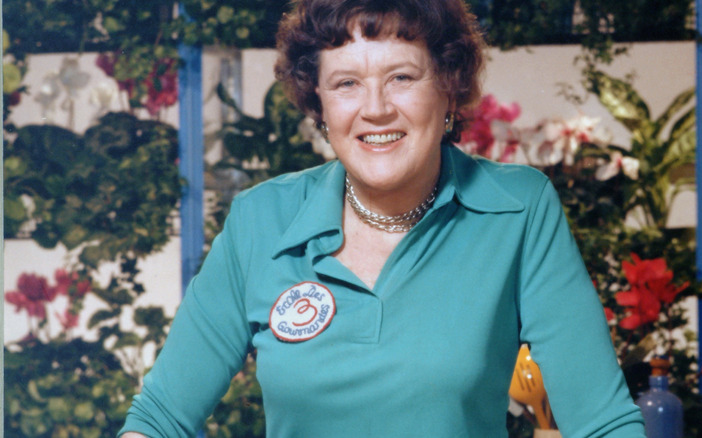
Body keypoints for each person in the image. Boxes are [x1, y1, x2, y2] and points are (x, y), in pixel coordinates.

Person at [119, 0, 646, 437]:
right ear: (319, 103)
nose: (375, 109)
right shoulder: (261, 219)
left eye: (401, 77)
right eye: (346, 83)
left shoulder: (517, 209)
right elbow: (162, 417)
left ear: (448, 86)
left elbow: (601, 422)